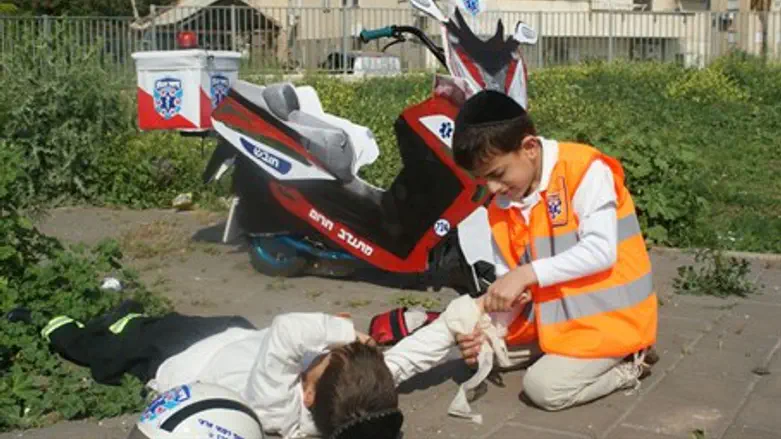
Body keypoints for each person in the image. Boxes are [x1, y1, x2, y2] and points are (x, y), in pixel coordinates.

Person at [445, 89, 660, 411]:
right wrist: (488, 326)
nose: (492, 189)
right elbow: (510, 282)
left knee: (544, 389)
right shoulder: (502, 206)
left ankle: (631, 361)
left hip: (610, 322)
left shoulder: (584, 170)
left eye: (497, 174)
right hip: (554, 320)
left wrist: (525, 275)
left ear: (529, 147)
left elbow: (602, 251)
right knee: (483, 357)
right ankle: (557, 352)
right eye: (481, 180)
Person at [10, 302, 402, 439]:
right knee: (157, 323)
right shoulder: (344, 402)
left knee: (107, 352)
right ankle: (129, 317)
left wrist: (343, 331)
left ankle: (54, 325)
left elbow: (287, 330)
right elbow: (409, 358)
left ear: (309, 394)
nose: (321, 354)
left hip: (180, 357)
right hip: (232, 336)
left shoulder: (275, 407)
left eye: (321, 363)